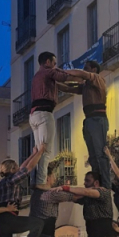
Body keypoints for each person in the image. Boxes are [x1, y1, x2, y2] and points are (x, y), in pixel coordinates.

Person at [53, 171, 116, 237]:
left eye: (88, 181)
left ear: (96, 183)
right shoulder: (87, 197)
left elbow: (86, 192)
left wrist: (66, 187)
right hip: (92, 232)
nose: (85, 183)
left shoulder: (103, 192)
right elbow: (76, 196)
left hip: (102, 231)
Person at [29, 51, 76, 189]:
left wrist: (78, 88)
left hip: (34, 115)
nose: (55, 66)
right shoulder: (48, 72)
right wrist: (83, 76)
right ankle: (41, 183)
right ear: (48, 62)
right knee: (45, 151)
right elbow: (64, 77)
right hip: (44, 114)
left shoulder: (37, 76)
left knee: (39, 151)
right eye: (54, 63)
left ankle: (36, 181)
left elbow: (62, 86)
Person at [65, 60, 110, 188]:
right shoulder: (86, 85)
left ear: (94, 69)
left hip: (97, 118)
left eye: (86, 68)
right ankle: (97, 182)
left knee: (100, 154)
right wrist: (55, 83)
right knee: (93, 156)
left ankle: (106, 185)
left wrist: (62, 72)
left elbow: (81, 74)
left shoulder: (97, 78)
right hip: (89, 119)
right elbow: (69, 88)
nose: (84, 70)